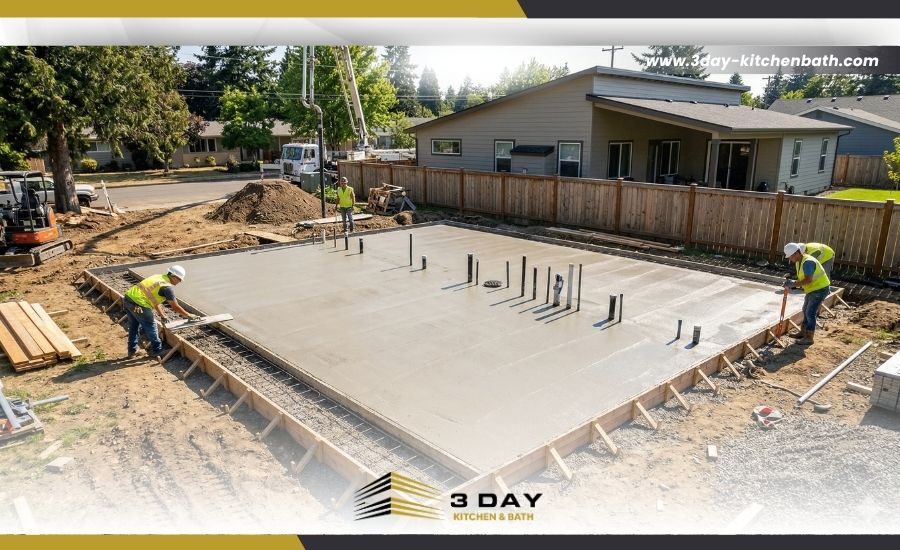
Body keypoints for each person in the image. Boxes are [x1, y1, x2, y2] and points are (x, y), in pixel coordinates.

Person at [123, 265, 197, 358]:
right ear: (173, 276)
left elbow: (153, 299)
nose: (179, 282)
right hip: (140, 305)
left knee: (134, 326)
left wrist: (163, 315)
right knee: (151, 325)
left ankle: (132, 351)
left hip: (128, 299)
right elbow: (175, 307)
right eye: (179, 279)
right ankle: (157, 350)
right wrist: (189, 315)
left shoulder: (158, 277)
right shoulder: (167, 287)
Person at [783, 243, 831, 346]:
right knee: (805, 309)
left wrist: (793, 284)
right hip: (813, 289)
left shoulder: (808, 262)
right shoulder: (799, 262)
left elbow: (808, 280)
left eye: (790, 256)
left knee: (810, 312)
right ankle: (803, 332)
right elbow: (803, 278)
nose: (790, 259)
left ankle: (809, 338)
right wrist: (793, 282)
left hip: (820, 289)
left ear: (796, 253)